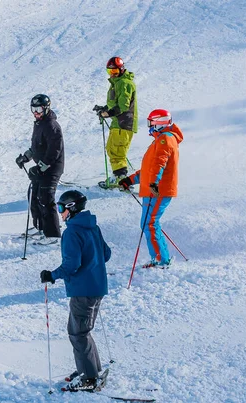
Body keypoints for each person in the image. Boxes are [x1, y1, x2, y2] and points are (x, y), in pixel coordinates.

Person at [40, 190, 111, 392]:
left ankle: (89, 378)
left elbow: (72, 264)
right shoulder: (92, 226)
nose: (60, 213)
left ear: (70, 208)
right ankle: (89, 369)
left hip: (83, 290)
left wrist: (51, 275)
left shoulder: (72, 232)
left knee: (78, 333)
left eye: (61, 208)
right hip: (97, 287)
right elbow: (106, 254)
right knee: (82, 331)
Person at [119, 109, 183, 268]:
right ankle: (162, 258)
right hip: (153, 189)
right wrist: (130, 179)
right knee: (150, 223)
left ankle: (161, 261)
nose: (149, 127)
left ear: (159, 122)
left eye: (151, 123)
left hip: (157, 190)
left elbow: (159, 165)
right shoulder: (160, 140)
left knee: (149, 224)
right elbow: (149, 169)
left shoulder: (164, 140)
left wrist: (154, 183)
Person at [15, 94, 64, 245]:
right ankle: (40, 228)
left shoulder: (51, 125)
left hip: (52, 168)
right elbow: (37, 147)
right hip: (42, 168)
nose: (35, 112)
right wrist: (26, 157)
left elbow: (53, 152)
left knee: (45, 199)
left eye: (38, 109)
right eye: (33, 109)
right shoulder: (39, 123)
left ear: (46, 108)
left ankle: (53, 235)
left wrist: (41, 167)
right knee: (34, 197)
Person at [94, 56, 138, 188]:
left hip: (123, 124)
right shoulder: (118, 83)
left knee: (116, 152)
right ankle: (120, 177)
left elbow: (123, 106)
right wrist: (105, 109)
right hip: (118, 123)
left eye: (115, 72)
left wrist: (108, 113)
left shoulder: (124, 83)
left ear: (121, 69)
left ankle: (121, 179)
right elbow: (116, 103)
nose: (112, 75)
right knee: (112, 149)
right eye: (110, 72)